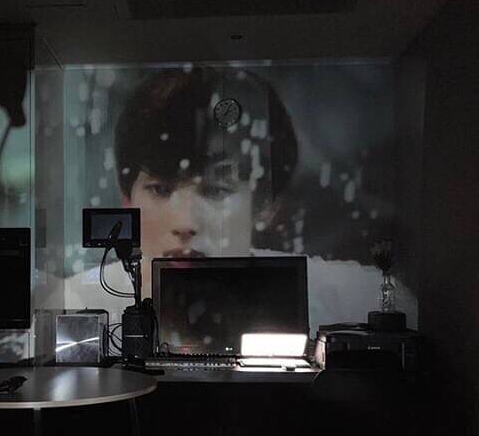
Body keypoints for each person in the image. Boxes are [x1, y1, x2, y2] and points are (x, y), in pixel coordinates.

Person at [64, 66, 417, 337]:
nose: (185, 222)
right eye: (160, 189)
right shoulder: (82, 302)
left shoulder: (348, 298)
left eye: (216, 191)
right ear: (127, 198)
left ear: (266, 204)